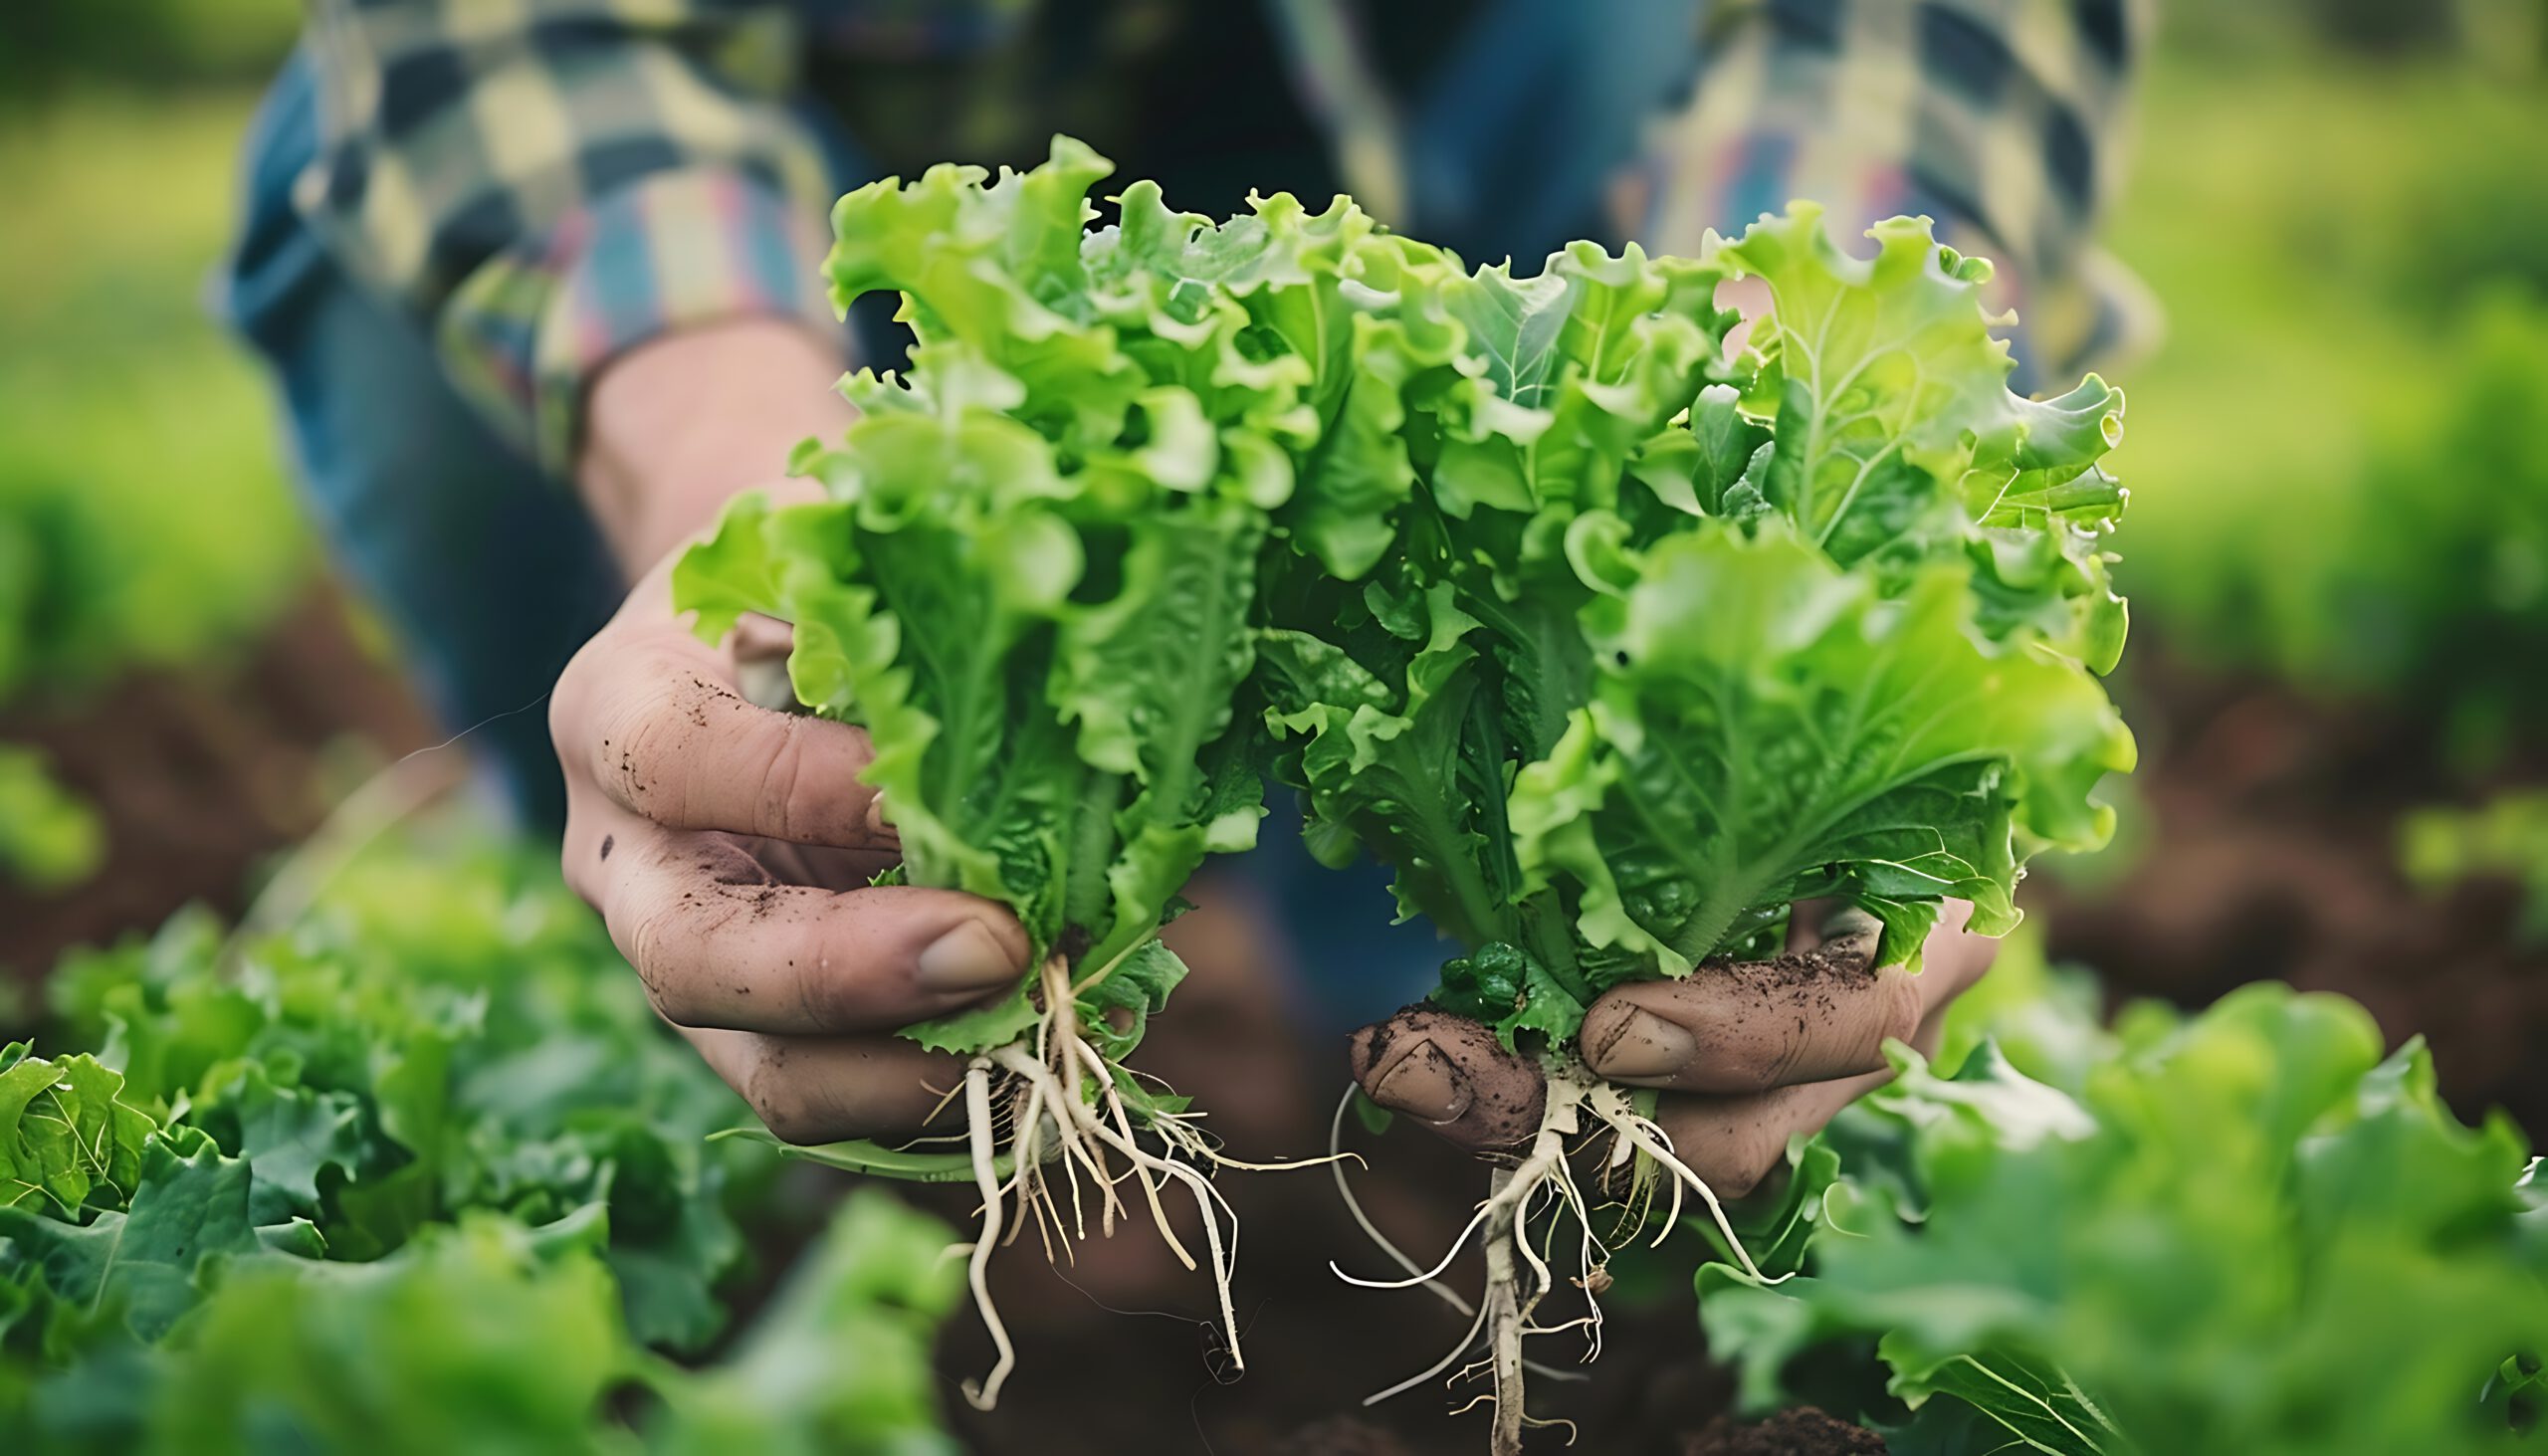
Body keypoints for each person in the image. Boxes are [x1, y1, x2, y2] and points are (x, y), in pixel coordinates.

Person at [224, 0, 2148, 1198]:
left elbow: (1918, 46)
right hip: (814, 161)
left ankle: (1551, 1071)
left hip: (1493, 121)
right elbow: (513, 41)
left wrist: (1813, 517)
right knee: (355, 188)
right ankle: (842, 1007)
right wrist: (759, 517)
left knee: (1553, 1051)